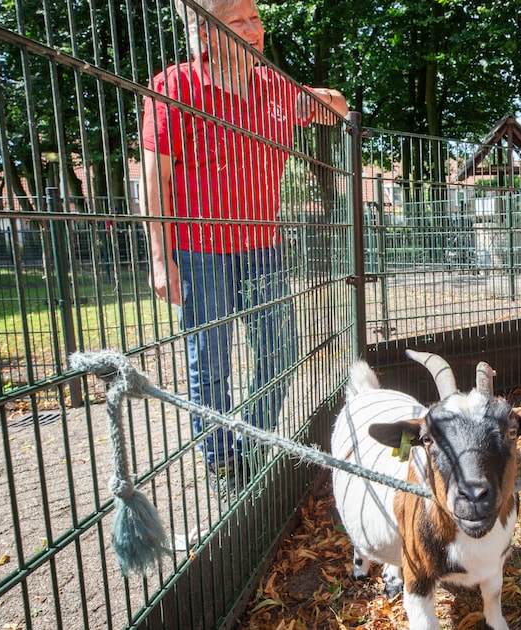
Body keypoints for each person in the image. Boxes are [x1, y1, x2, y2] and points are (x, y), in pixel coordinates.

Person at [140, 0, 348, 493]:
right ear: (207, 33)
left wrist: (318, 96)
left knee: (280, 350)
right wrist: (160, 257)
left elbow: (335, 109)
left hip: (262, 246)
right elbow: (155, 179)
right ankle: (221, 462)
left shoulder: (272, 86)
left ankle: (250, 442)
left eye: (256, 19)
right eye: (238, 21)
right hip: (198, 249)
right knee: (208, 359)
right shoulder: (174, 86)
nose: (253, 29)